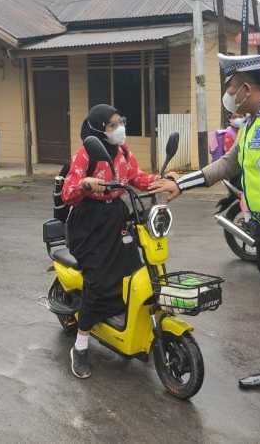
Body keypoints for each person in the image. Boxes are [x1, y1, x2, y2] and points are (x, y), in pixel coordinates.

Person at [151, 53, 260, 412]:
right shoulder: (250, 125)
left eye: (232, 88)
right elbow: (227, 165)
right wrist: (180, 185)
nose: (229, 94)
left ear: (246, 88)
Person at [61, 104, 159, 379]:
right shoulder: (84, 155)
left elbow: (136, 178)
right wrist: (85, 184)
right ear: (98, 129)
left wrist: (161, 180)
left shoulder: (124, 152)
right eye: (113, 124)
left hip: (116, 217)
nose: (119, 128)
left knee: (133, 271)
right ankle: (80, 346)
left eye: (120, 122)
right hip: (89, 224)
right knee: (99, 280)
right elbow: (68, 192)